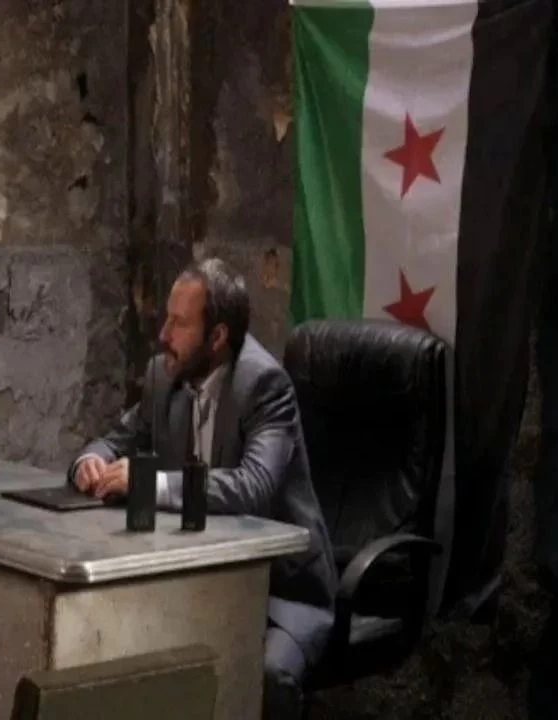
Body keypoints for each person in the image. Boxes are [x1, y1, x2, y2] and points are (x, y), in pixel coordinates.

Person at [68, 258, 337, 719]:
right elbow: (115, 441)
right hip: (200, 580)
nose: (163, 334)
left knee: (264, 675)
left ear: (216, 337)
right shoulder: (164, 376)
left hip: (279, 590)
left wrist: (151, 484)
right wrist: (89, 462)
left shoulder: (265, 386)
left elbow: (254, 486)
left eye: (179, 323)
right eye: (166, 319)